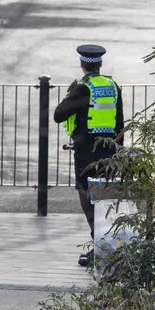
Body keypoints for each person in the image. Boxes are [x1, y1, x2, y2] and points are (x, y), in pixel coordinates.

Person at [53, 44, 124, 267]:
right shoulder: (113, 85)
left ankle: (100, 248)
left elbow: (58, 115)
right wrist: (118, 151)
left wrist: (69, 94)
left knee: (89, 198)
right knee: (105, 199)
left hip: (87, 153)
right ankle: (107, 246)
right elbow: (119, 122)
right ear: (99, 63)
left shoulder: (83, 88)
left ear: (82, 64)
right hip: (110, 150)